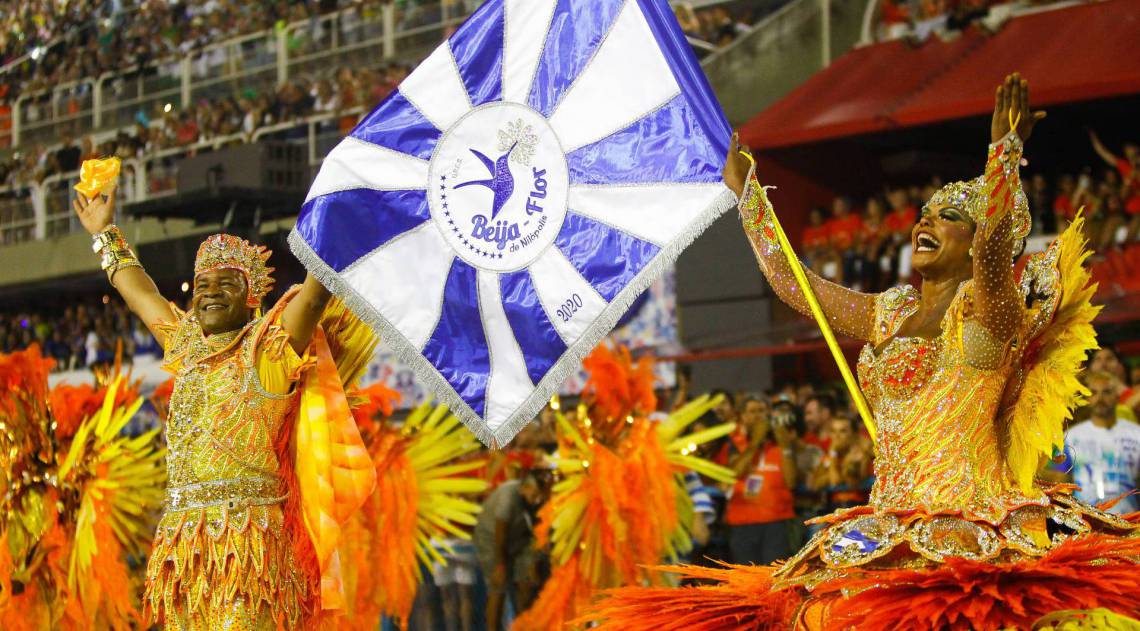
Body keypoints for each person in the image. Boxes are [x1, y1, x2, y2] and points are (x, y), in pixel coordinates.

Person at [588, 74, 1140, 630]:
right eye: (925, 214)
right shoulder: (890, 311)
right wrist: (747, 196)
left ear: (974, 243)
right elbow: (797, 285)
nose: (925, 221)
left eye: (948, 217)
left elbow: (996, 254)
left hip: (969, 539)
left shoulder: (988, 316)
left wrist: (1004, 153)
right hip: (887, 528)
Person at [72, 176, 374, 628]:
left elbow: (313, 300)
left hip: (251, 549)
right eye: (202, 283)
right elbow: (141, 294)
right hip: (184, 553)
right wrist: (105, 233)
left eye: (225, 283)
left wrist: (338, 225)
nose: (209, 290)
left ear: (252, 298)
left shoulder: (268, 350)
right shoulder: (186, 345)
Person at [723, 396, 797, 565]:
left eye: (762, 411)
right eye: (752, 412)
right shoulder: (734, 443)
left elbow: (791, 481)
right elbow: (734, 473)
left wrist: (786, 446)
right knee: (746, 575)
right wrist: (755, 442)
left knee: (773, 574)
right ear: (742, 416)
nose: (758, 416)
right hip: (742, 522)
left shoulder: (779, 444)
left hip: (776, 522)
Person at [474, 469, 550, 631]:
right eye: (534, 495)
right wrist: (500, 566)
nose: (536, 500)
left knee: (527, 582)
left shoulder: (534, 501)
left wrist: (533, 561)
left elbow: (536, 531)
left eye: (539, 496)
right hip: (491, 541)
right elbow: (500, 534)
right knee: (498, 587)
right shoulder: (508, 495)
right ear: (524, 488)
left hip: (519, 540)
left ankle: (524, 626)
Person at [1063, 372, 1140, 515]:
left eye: (1107, 392)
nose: (1100, 398)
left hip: (1129, 519)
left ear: (1117, 396)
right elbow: (1058, 478)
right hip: (1085, 520)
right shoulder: (1071, 437)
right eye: (1094, 393)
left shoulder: (1136, 434)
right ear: (1088, 398)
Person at [808, 415, 872, 512]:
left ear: (854, 434)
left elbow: (845, 481)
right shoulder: (831, 455)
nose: (836, 436)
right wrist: (833, 455)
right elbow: (814, 484)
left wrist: (828, 476)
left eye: (843, 431)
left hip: (858, 509)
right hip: (833, 508)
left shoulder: (861, 454)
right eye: (833, 431)